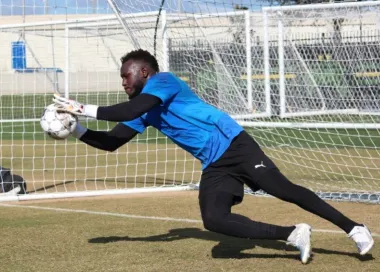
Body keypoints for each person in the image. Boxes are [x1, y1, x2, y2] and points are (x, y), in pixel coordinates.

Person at [53, 49, 374, 264]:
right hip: (215, 164)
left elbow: (133, 108)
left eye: (126, 75)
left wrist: (82, 108)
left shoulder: (163, 82)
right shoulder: (145, 107)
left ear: (145, 72)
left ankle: (355, 228)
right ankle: (292, 234)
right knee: (214, 219)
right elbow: (113, 142)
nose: (123, 82)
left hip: (234, 144)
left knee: (285, 190)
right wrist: (76, 129)